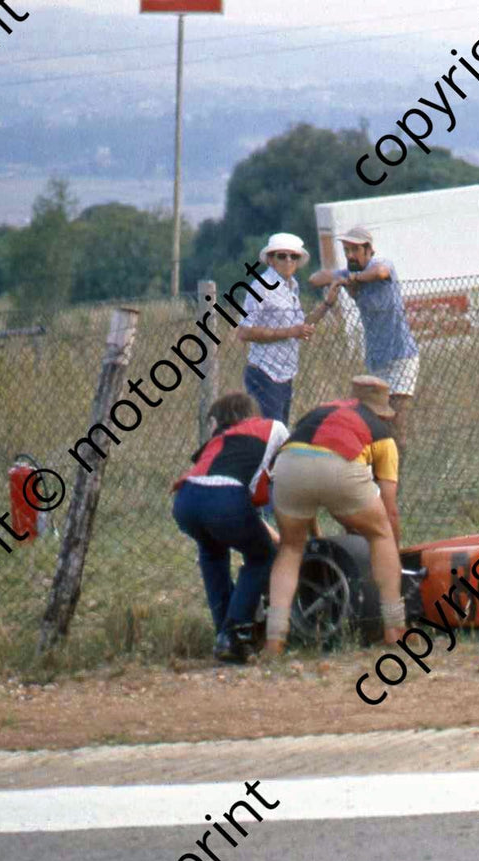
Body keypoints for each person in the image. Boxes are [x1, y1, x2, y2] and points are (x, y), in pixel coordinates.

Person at [264, 375, 405, 656]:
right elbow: (388, 507)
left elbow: (309, 470)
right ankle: (395, 629)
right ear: (383, 410)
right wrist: (394, 547)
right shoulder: (382, 433)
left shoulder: (318, 412)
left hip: (289, 465)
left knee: (290, 549)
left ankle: (274, 639)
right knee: (381, 535)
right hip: (340, 466)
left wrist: (314, 534)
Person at [171, 392, 289, 664]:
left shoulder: (217, 443)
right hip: (224, 499)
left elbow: (226, 495)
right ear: (250, 414)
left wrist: (270, 533)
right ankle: (234, 633)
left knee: (212, 555)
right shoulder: (273, 427)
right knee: (262, 557)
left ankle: (223, 635)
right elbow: (287, 469)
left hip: (187, 500)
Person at [309, 226, 420, 445]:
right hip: (377, 359)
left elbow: (380, 273)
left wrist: (354, 279)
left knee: (397, 419)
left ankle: (397, 469)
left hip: (401, 356)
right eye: (346, 250)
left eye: (355, 250)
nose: (350, 255)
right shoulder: (347, 273)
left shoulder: (381, 266)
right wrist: (337, 279)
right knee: (376, 422)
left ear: (369, 250)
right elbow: (315, 279)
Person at [237, 232, 315, 424]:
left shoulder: (292, 287)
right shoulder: (260, 286)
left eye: (293, 256)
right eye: (282, 256)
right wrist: (290, 333)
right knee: (269, 434)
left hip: (286, 373)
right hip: (265, 373)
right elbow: (244, 331)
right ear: (271, 259)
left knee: (280, 433)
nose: (288, 261)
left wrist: (327, 304)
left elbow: (300, 325)